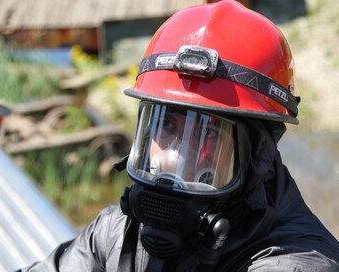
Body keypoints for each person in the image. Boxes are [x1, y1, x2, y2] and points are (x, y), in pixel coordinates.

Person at [18, 1, 339, 271]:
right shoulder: (119, 231)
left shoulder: (296, 262)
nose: (174, 157)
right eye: (167, 126)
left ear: (257, 154)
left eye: (209, 133)